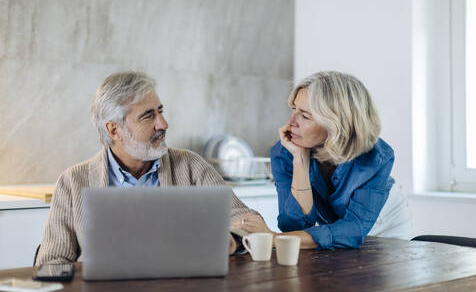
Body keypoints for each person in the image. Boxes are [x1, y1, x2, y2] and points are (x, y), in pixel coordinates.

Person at [36, 72, 255, 265]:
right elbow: (51, 262)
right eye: (148, 115)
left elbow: (248, 219)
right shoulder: (73, 181)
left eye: (160, 111)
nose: (163, 124)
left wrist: (233, 240)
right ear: (114, 130)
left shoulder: (190, 165)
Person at [236, 71, 412, 249]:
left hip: (385, 221)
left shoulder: (376, 157)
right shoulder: (284, 153)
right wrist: (300, 161)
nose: (290, 122)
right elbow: (294, 226)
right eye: (294, 109)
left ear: (336, 124)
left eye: (305, 116)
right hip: (337, 226)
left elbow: (353, 230)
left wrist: (274, 238)